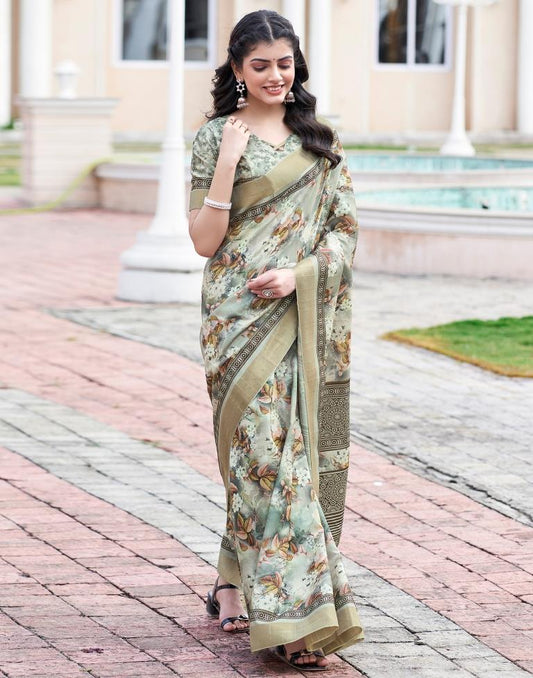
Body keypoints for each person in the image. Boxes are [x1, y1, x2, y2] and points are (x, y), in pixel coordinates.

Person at [188, 9, 364, 671]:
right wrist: (229, 161)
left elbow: (343, 231)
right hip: (234, 321)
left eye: (283, 63)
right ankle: (253, 592)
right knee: (258, 458)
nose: (273, 75)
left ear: (297, 66)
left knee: (280, 464)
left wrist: (299, 275)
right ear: (236, 70)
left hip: (297, 314)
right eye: (258, 64)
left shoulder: (318, 140)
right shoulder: (213, 138)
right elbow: (204, 243)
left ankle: (288, 615)